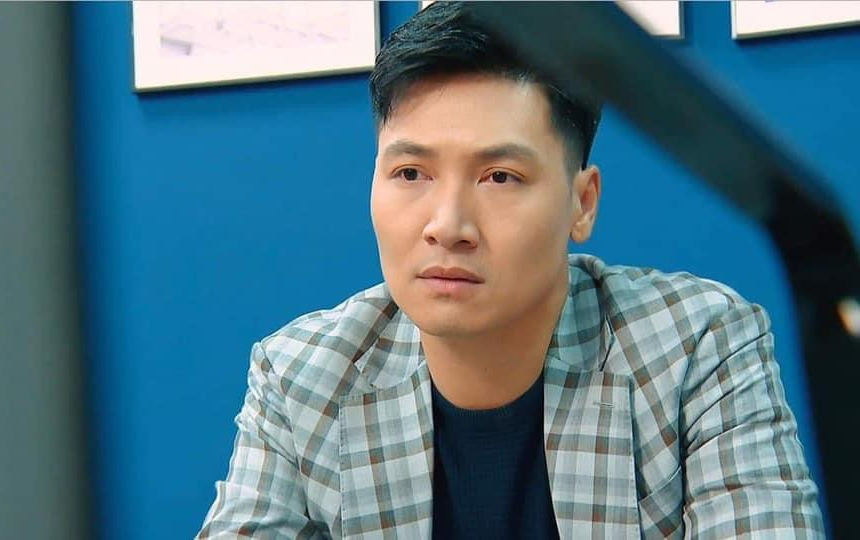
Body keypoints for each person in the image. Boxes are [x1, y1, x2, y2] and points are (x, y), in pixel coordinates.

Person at [196, 3, 823, 538]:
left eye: (499, 176)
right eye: (410, 173)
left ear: (582, 203)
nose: (447, 225)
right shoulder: (302, 377)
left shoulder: (696, 348)